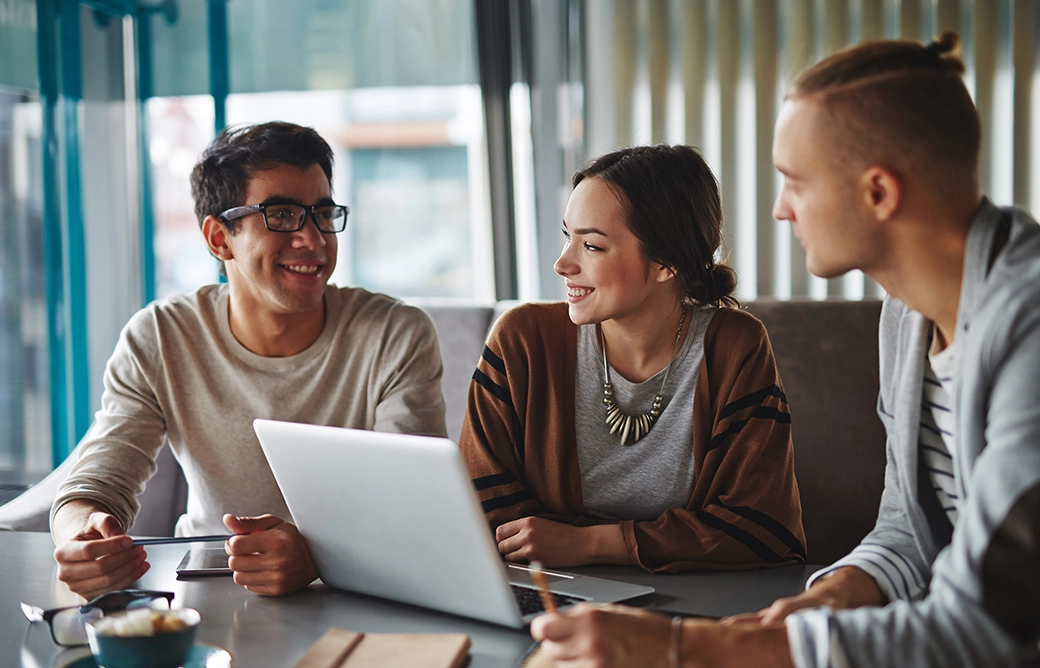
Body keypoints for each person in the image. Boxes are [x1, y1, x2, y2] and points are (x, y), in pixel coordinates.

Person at [529, 32, 1040, 667]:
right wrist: (831, 596)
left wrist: (688, 646)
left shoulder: (1028, 330)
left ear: (879, 193)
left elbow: (989, 624)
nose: (779, 210)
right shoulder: (907, 314)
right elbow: (909, 529)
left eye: (795, 183)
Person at [50, 122, 447, 599]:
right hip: (206, 590)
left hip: (358, 590)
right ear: (219, 238)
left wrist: (319, 556)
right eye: (281, 215)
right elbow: (96, 483)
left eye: (323, 214)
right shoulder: (161, 336)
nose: (314, 239)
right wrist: (81, 538)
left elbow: (414, 507)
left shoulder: (395, 334)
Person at [459, 144, 805, 572]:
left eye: (592, 246)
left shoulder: (734, 348)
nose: (562, 263)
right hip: (551, 587)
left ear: (665, 263)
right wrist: (679, 539)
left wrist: (588, 543)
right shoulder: (522, 341)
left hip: (694, 598)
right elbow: (479, 508)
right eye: (568, 237)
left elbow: (763, 528)